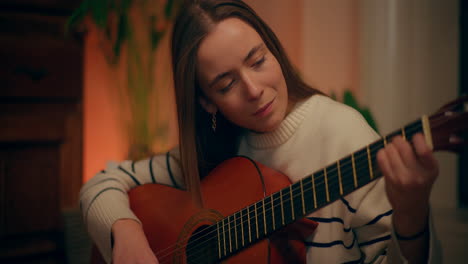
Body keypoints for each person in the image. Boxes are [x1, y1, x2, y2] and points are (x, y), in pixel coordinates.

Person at [80, 0, 441, 263]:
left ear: (274, 52)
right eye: (225, 85)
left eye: (258, 61)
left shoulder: (343, 133)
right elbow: (101, 182)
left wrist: (411, 215)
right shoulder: (214, 151)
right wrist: (125, 234)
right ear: (207, 103)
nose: (253, 89)